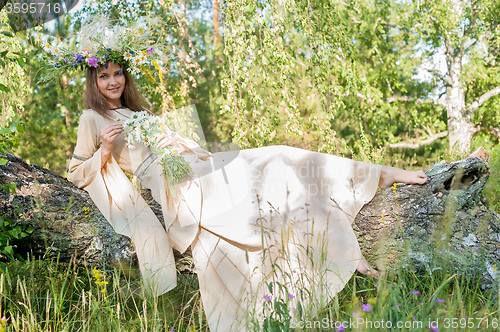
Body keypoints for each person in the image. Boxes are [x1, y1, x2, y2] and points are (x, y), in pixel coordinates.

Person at [44, 17, 427, 331]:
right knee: (256, 196)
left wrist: (183, 145)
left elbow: (172, 141)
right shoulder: (91, 118)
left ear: (126, 78)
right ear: (93, 82)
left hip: (194, 162)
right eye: (104, 77)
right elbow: (77, 170)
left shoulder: (137, 112)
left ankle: (373, 176)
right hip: (170, 183)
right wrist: (107, 152)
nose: (112, 83)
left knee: (279, 159)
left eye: (118, 75)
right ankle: (349, 245)